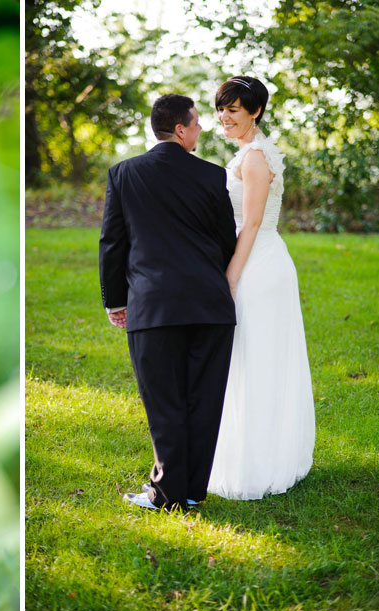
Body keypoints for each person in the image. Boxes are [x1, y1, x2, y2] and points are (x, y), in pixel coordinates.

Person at [99, 94, 237, 511]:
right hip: (210, 307)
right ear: (180, 129)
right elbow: (225, 243)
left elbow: (112, 245)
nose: (200, 130)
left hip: (153, 306)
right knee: (204, 399)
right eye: (196, 124)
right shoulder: (213, 177)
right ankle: (191, 491)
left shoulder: (124, 174)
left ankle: (167, 493)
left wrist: (114, 302)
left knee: (165, 404)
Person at [206, 76, 315, 500]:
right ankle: (257, 450)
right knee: (252, 358)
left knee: (254, 357)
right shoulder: (255, 152)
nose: (224, 117)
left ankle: (259, 459)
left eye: (233, 110)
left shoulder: (254, 158)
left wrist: (231, 277)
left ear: (255, 112)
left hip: (257, 264)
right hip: (261, 257)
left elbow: (250, 224)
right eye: (221, 108)